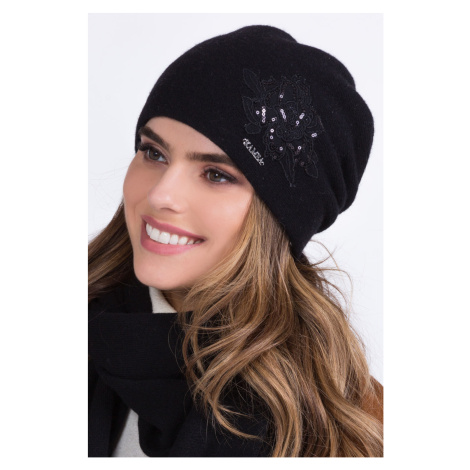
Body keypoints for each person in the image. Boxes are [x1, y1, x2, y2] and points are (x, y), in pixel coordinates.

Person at [88, 25, 383, 457]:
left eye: (216, 174)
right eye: (154, 153)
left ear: (280, 217)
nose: (161, 195)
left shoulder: (347, 427)